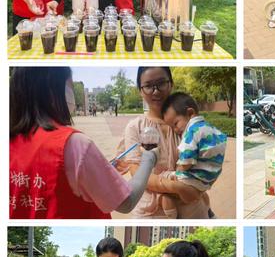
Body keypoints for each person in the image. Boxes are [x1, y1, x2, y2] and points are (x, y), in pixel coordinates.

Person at [9, 67, 159, 219]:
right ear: (51, 89)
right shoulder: (73, 144)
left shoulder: (11, 141)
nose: (72, 94)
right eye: (70, 87)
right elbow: (127, 201)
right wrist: (149, 159)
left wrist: (98, 169)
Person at [120, 67, 210, 218]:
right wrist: (176, 187)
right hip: (152, 211)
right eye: (148, 86)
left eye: (161, 83)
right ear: (140, 91)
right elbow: (136, 171)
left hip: (192, 209)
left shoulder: (188, 121)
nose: (155, 91)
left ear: (171, 84)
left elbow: (204, 161)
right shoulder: (135, 126)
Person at [160, 92, 227, 219]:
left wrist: (178, 170)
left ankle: (172, 217)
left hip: (192, 179)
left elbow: (187, 159)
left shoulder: (192, 131)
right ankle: (209, 214)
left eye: (175, 124)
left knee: (165, 191)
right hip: (209, 179)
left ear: (190, 113)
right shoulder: (212, 129)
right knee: (201, 195)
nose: (175, 130)